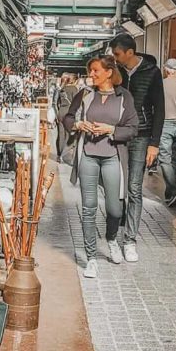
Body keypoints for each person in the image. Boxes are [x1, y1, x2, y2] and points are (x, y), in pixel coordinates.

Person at [63, 56, 139, 280]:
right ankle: (91, 258)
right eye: (91, 71)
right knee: (88, 207)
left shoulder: (123, 96)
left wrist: (111, 130)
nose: (92, 74)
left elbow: (133, 128)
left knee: (115, 208)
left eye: (96, 71)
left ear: (109, 72)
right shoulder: (85, 94)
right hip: (88, 155)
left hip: (113, 155)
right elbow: (67, 117)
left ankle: (112, 238)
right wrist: (77, 124)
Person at [110, 34, 164, 262]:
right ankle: (114, 233)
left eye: (117, 54)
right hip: (118, 135)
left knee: (134, 188)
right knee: (115, 185)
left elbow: (159, 108)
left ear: (130, 52)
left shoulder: (151, 72)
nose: (115, 58)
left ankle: (130, 240)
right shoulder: (116, 72)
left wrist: (154, 143)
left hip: (141, 136)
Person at [159, 58, 176, 207]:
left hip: (165, 124)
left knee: (164, 159)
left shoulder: (161, 85)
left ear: (166, 69)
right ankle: (170, 194)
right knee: (175, 160)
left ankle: (174, 190)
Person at [54, 74, 78, 157]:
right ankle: (64, 155)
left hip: (61, 111)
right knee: (68, 134)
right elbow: (76, 103)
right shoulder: (74, 89)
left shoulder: (62, 89)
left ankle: (59, 154)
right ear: (75, 81)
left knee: (60, 134)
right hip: (69, 113)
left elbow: (56, 103)